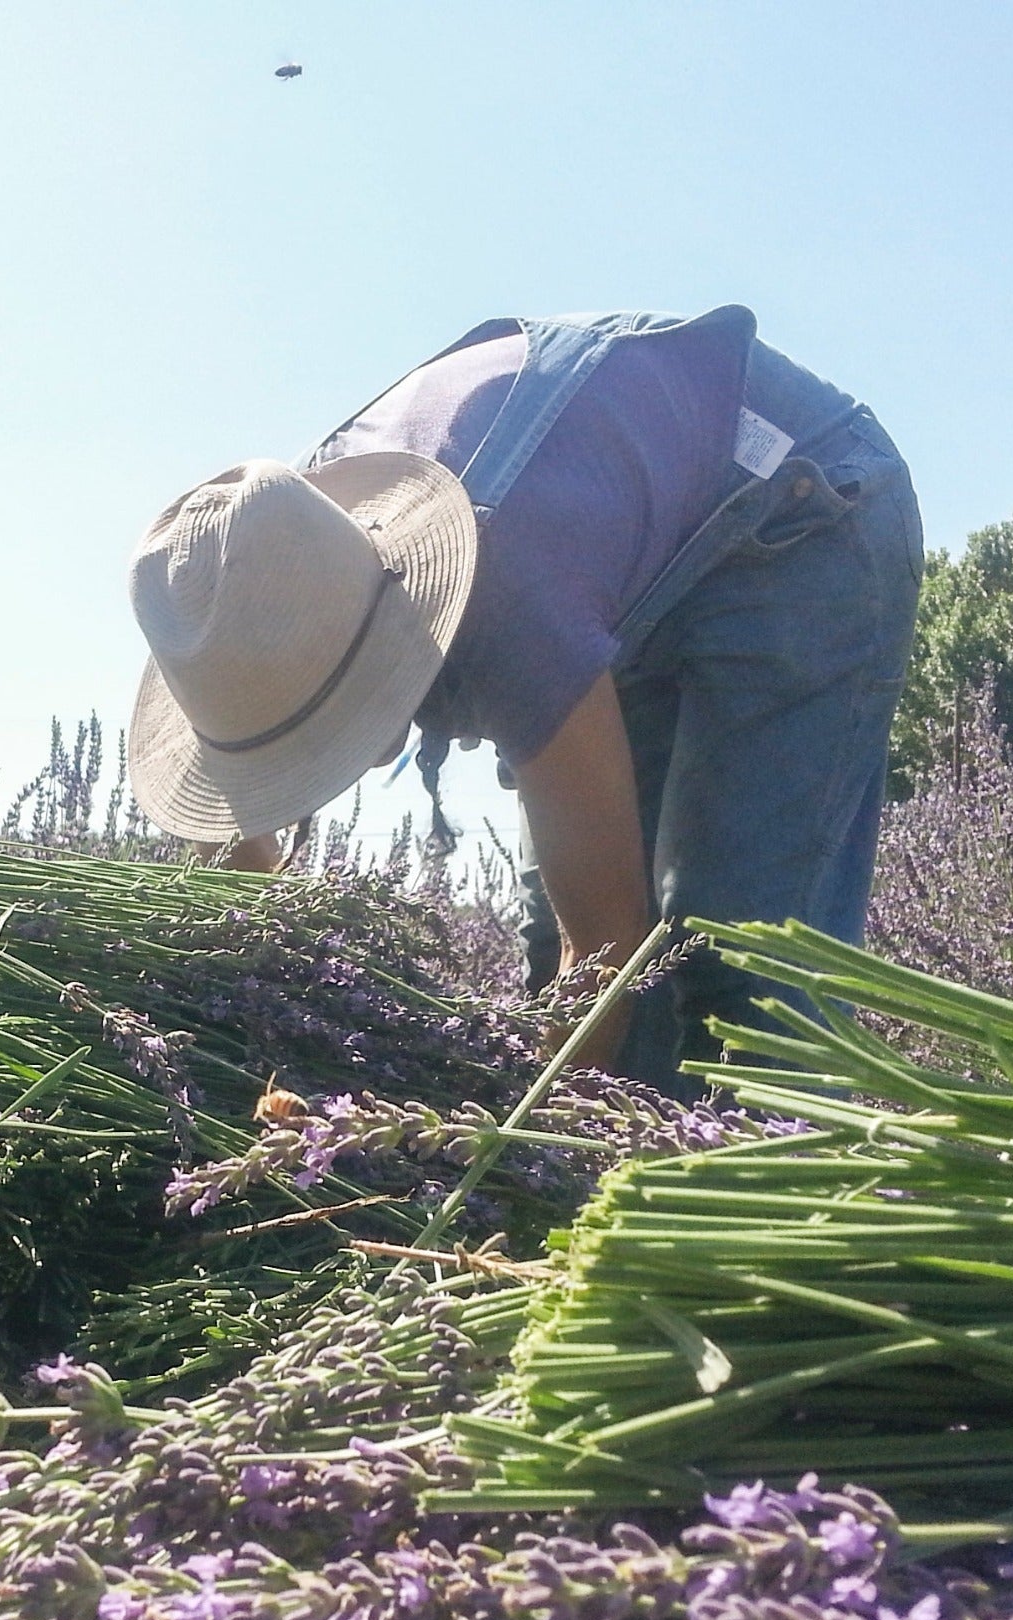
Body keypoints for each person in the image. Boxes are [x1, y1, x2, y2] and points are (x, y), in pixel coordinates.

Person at [124, 306, 923, 1095]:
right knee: (552, 950)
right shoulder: (238, 579)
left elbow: (608, 943)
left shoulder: (500, 601)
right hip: (616, 532)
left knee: (737, 958)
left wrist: (509, 1152)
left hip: (801, 504)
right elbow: (242, 879)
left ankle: (753, 1207)